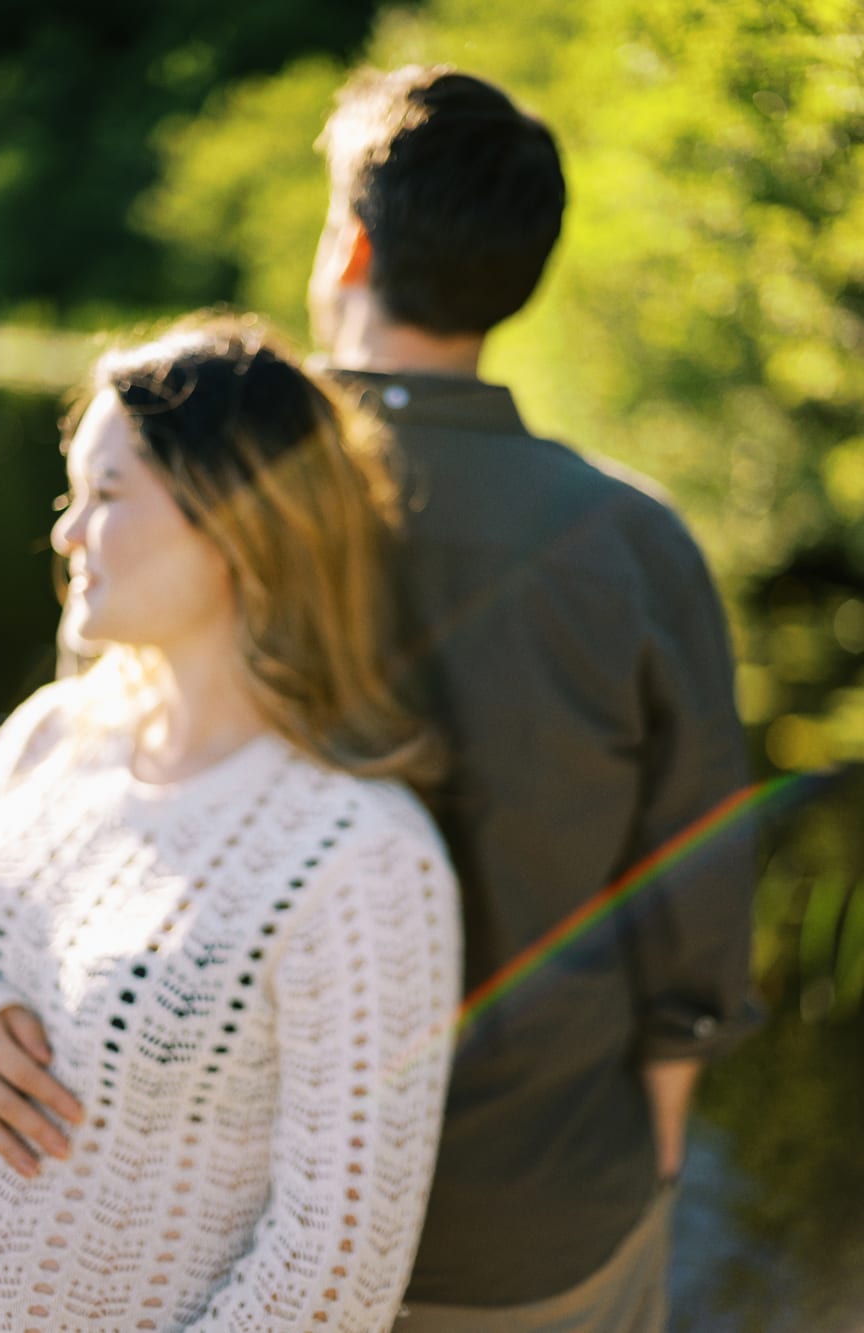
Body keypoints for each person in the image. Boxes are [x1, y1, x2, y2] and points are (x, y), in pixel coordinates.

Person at [0, 320, 462, 1331]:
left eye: (104, 495)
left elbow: (332, 1276)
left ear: (238, 524)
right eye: (72, 493)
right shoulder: (50, 735)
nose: (63, 534)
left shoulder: (362, 859)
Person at [309, 65, 759, 1331]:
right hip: (545, 1213)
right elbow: (699, 867)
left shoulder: (215, 508)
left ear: (348, 246)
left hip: (257, 1218)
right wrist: (668, 1100)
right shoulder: (632, 538)